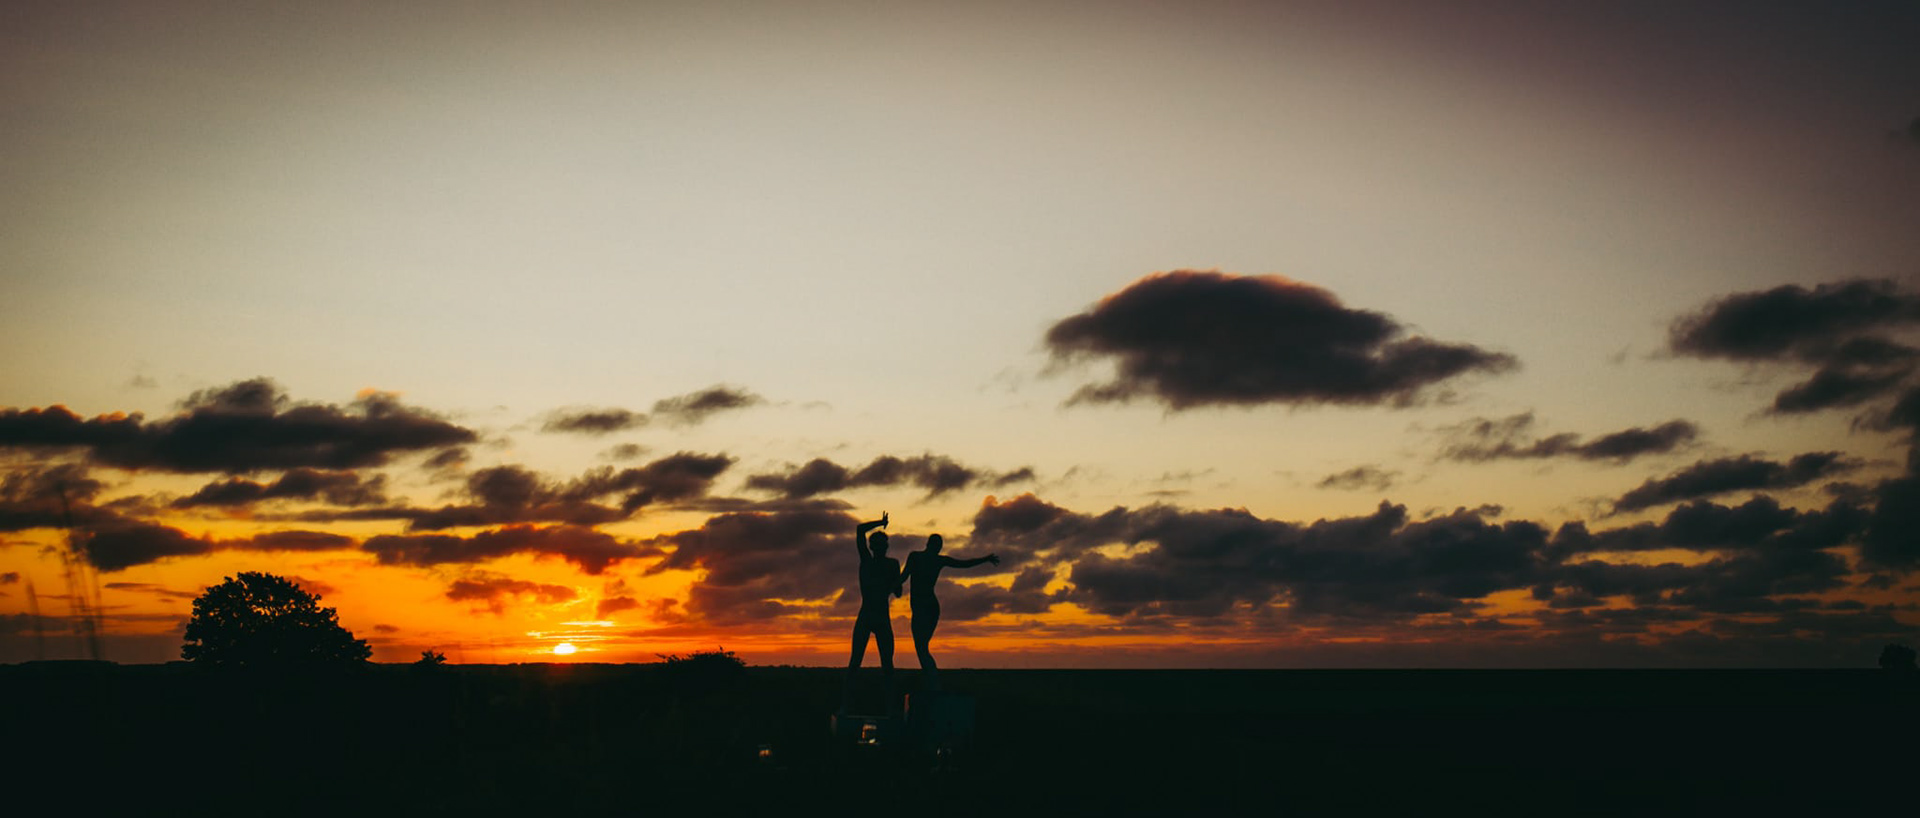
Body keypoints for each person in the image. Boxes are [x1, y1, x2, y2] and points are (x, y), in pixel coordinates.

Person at [900, 533, 998, 690]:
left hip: (925, 608)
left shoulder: (918, 557)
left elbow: (902, 578)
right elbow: (964, 564)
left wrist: (889, 586)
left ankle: (933, 683)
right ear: (933, 546)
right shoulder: (929, 559)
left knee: (921, 649)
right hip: (929, 607)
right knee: (922, 648)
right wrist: (985, 559)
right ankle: (932, 682)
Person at [844, 512, 900, 711]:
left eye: (881, 545)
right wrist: (881, 523)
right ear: (873, 547)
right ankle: (847, 704)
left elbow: (898, 592)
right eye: (877, 545)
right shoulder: (868, 561)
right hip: (868, 615)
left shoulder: (891, 564)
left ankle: (891, 707)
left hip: (878, 616)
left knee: (887, 665)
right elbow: (860, 530)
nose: (880, 549)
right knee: (856, 662)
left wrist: (894, 583)